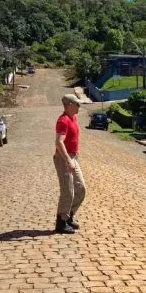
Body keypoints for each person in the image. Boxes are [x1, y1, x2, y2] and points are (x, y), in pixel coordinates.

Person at [53, 94, 86, 234]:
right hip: (63, 158)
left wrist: (75, 157)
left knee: (81, 188)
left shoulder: (74, 118)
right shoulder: (63, 121)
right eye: (77, 104)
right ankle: (61, 223)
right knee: (68, 192)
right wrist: (68, 160)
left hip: (73, 157)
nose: (79, 106)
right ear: (69, 105)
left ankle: (69, 216)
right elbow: (59, 142)